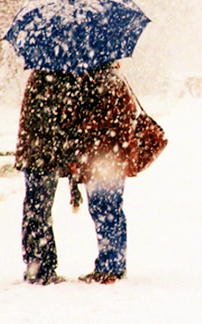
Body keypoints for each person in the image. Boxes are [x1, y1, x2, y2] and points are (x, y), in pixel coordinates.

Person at [70, 60, 140, 285]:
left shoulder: (94, 83)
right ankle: (115, 264)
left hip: (100, 160)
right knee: (112, 210)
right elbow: (128, 117)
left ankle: (108, 267)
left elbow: (88, 123)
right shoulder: (117, 81)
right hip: (114, 159)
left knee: (103, 210)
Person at [15, 70, 82, 285]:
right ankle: (42, 267)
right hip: (44, 158)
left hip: (34, 156)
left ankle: (36, 264)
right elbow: (55, 125)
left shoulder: (38, 79)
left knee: (34, 209)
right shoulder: (54, 83)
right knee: (40, 211)